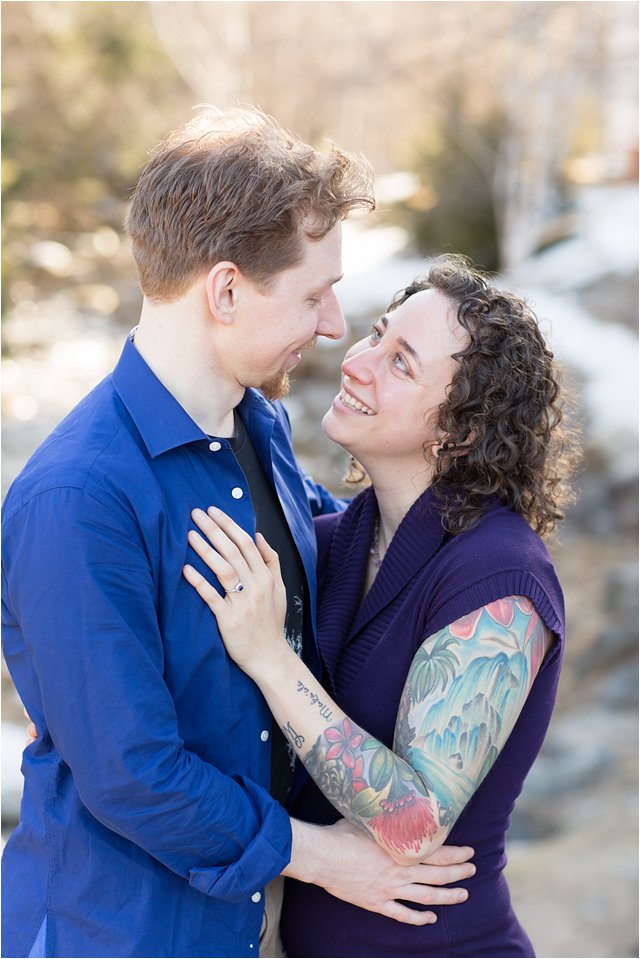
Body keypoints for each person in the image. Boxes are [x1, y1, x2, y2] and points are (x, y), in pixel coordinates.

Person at [1, 110, 475, 959]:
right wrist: (333, 860)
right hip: (111, 933)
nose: (333, 324)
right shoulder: (78, 498)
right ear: (224, 291)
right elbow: (135, 775)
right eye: (313, 294)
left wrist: (493, 548)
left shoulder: (258, 425)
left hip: (242, 928)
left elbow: (347, 563)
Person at [184, 256, 577, 958]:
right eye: (376, 335)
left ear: (461, 430)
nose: (358, 361)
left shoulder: (501, 578)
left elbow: (411, 822)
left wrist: (273, 660)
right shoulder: (335, 543)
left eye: (401, 363)